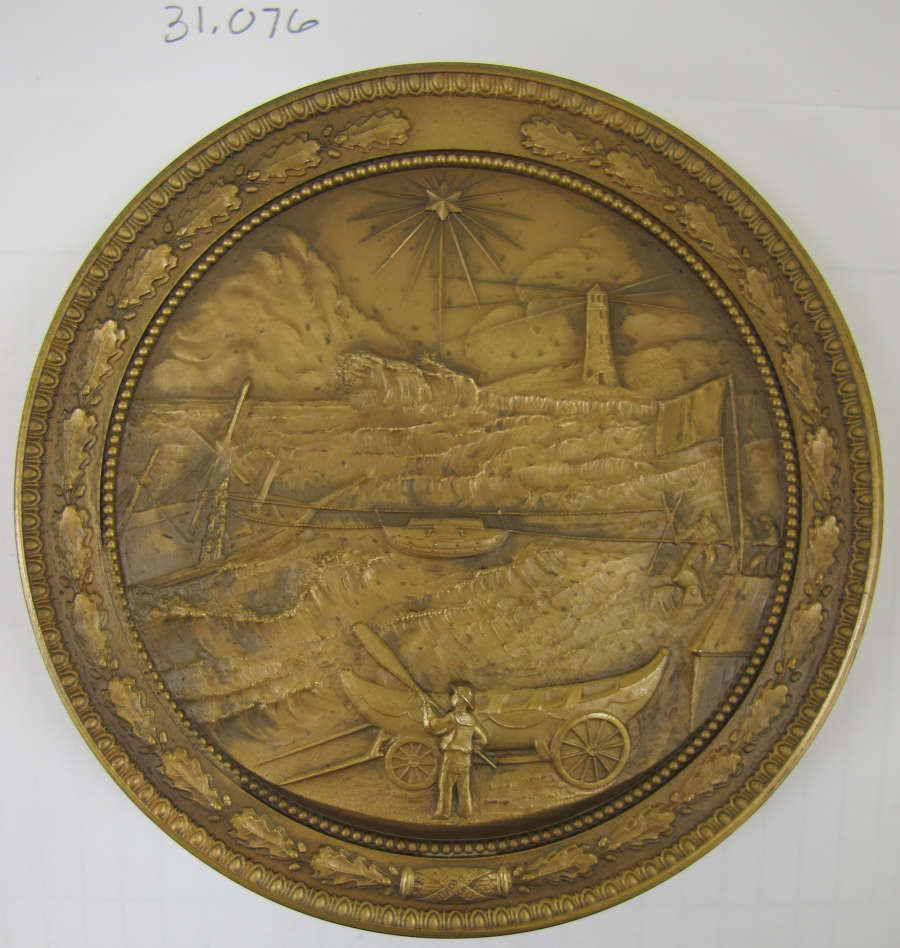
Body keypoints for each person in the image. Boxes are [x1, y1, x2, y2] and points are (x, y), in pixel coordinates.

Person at [421, 682, 487, 819]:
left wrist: (427, 711)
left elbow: (434, 727)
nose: (452, 697)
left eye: (454, 695)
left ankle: (443, 812)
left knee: (446, 785)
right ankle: (465, 811)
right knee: (463, 786)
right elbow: (483, 738)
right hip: (465, 758)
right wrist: (475, 747)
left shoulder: (452, 717)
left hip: (452, 757)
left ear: (460, 700)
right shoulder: (471, 719)